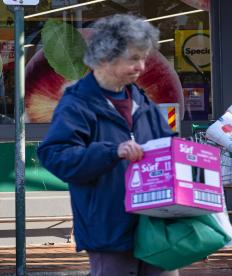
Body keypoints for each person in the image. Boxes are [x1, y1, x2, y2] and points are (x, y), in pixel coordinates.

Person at [37, 14, 178, 276]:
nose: (142, 66)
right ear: (105, 57)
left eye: (143, 58)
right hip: (108, 226)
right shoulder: (77, 103)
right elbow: (55, 155)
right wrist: (111, 152)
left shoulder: (142, 101)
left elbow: (167, 147)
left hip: (154, 223)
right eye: (134, 58)